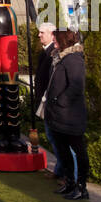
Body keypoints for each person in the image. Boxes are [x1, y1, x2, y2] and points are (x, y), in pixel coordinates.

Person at [42, 28, 89, 200]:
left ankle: (81, 187)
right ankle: (69, 183)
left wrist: (59, 101)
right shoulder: (59, 58)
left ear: (63, 41)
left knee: (78, 152)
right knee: (63, 152)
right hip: (59, 116)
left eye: (55, 39)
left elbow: (76, 87)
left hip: (71, 117)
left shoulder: (73, 60)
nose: (53, 41)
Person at [31, 22, 65, 181]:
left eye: (42, 32)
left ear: (52, 35)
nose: (39, 35)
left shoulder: (52, 52)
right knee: (52, 136)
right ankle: (60, 170)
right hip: (45, 101)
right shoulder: (45, 52)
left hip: (50, 102)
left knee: (54, 137)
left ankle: (62, 171)